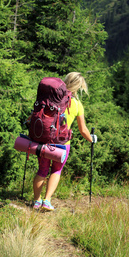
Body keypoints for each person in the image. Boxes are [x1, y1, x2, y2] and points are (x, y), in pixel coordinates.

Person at [32, 72, 97, 211]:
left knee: (42, 170)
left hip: (44, 140)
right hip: (62, 144)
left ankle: (36, 201)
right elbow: (83, 130)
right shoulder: (77, 104)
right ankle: (47, 201)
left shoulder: (50, 98)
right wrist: (92, 139)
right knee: (56, 170)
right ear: (79, 87)